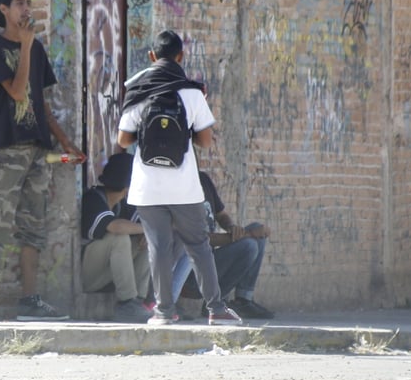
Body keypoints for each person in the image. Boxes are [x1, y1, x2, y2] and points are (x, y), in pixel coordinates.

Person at [0, 0, 86, 321]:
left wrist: (65, 141)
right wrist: (25, 46)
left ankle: (30, 301)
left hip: (39, 148)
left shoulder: (36, 48)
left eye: (28, 3)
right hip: (10, 146)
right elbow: (16, 92)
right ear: (3, 9)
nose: (25, 9)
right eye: (18, 4)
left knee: (33, 227)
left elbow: (38, 103)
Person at [116, 30, 242, 326]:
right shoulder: (192, 93)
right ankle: (217, 309)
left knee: (158, 247)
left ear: (151, 57)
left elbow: (123, 140)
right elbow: (206, 140)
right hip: (184, 186)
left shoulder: (138, 89)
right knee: (198, 245)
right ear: (180, 56)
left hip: (147, 187)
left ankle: (163, 312)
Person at [170, 171, 274, 320]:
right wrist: (247, 234)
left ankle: (243, 300)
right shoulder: (176, 188)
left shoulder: (202, 179)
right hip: (191, 274)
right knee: (249, 245)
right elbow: (198, 239)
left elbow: (221, 214)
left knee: (257, 232)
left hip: (210, 263)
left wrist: (231, 227)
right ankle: (216, 303)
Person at [80, 152, 152, 323]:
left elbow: (141, 224)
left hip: (106, 275)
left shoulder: (122, 204)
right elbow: (116, 227)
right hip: (87, 277)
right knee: (120, 238)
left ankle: (137, 302)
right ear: (128, 186)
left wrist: (147, 233)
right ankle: (127, 304)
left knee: (148, 241)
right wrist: (148, 230)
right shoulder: (93, 198)